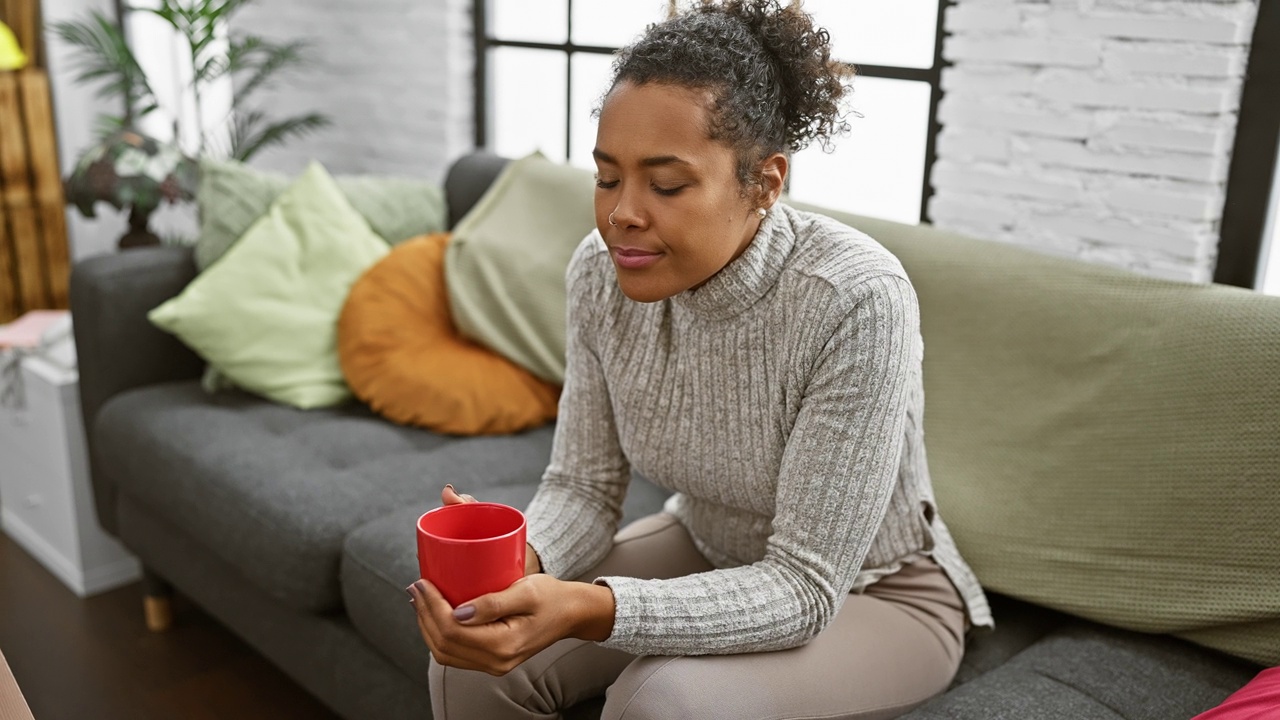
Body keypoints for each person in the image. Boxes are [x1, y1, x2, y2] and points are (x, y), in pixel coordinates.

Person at [407, 1, 993, 717]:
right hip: (710, 542)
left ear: (766, 184)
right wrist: (519, 569)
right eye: (607, 176)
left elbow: (806, 585)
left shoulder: (854, 299)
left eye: (667, 184)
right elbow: (584, 486)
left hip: (874, 592)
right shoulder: (600, 271)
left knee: (663, 701)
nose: (622, 213)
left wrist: (588, 608)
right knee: (474, 662)